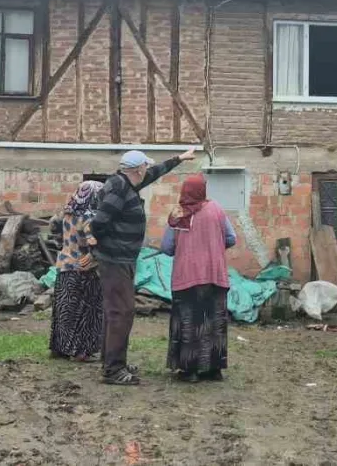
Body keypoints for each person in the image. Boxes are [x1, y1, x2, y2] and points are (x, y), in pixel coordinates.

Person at [90, 148, 195, 385]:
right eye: (145, 166)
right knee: (122, 312)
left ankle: (111, 360)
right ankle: (113, 370)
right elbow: (99, 222)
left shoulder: (126, 183)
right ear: (138, 169)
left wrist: (178, 159)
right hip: (115, 260)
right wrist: (105, 245)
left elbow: (155, 173)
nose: (148, 169)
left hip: (119, 259)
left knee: (115, 311)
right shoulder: (119, 189)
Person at [160, 174, 236, 382]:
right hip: (214, 274)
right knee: (214, 321)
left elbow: (166, 248)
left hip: (187, 276)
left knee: (189, 322)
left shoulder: (178, 214)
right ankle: (214, 369)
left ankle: (190, 370)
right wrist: (213, 247)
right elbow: (231, 238)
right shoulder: (217, 210)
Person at [48, 180, 105, 362]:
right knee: (87, 311)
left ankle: (61, 348)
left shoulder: (66, 213)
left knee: (65, 310)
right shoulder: (89, 217)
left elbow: (54, 230)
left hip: (64, 265)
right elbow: (92, 243)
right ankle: (82, 351)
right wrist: (97, 255)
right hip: (83, 269)